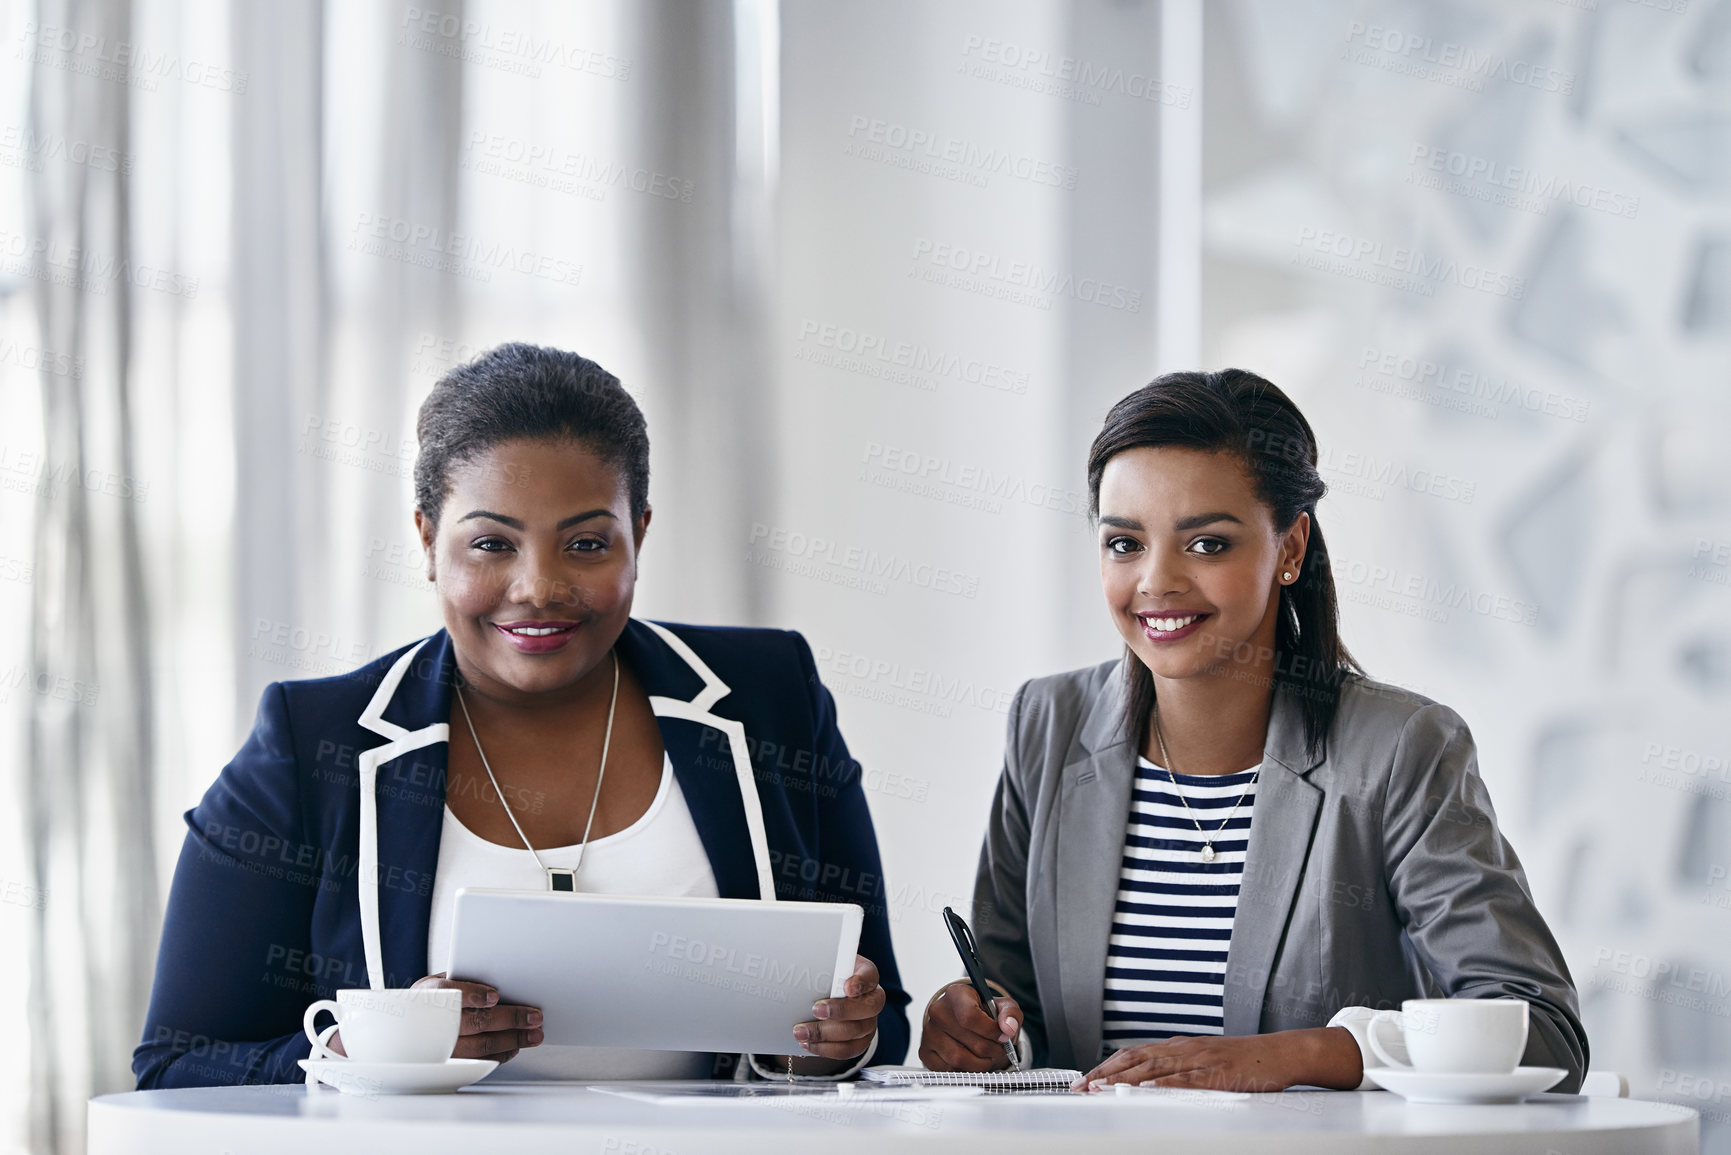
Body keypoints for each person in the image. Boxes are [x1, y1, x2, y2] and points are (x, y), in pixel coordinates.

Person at [134, 343, 907, 1087]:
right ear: (429, 539)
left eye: (585, 542)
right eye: (492, 543)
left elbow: (881, 1019)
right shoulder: (313, 742)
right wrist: (363, 1050)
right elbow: (174, 1066)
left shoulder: (770, 696)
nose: (538, 586)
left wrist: (829, 1042)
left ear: (638, 533)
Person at [917, 369, 1586, 1093]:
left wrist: (1302, 1054)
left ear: (1290, 547)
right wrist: (974, 1032)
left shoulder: (1400, 750)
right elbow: (1018, 1020)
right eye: (1123, 543)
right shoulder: (1046, 726)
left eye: (1206, 544)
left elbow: (1540, 1033)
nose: (1156, 580)